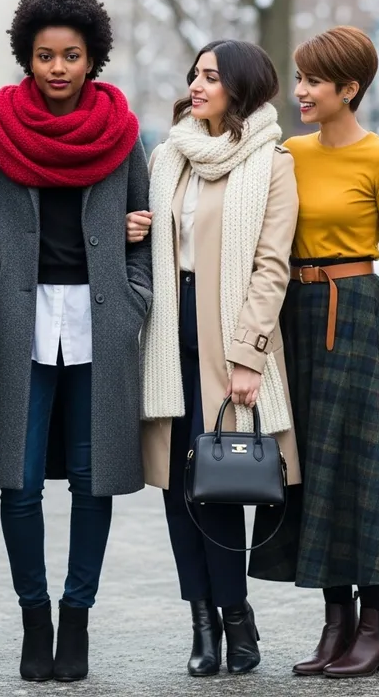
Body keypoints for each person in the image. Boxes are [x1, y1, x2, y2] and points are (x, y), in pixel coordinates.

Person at [0, 0, 152, 682]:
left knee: (93, 479)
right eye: (45, 55)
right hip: (23, 320)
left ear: (92, 57)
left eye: (71, 55)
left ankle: (78, 620)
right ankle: (33, 619)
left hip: (101, 321)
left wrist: (136, 295)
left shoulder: (124, 133)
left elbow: (144, 224)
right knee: (21, 480)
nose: (58, 67)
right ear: (27, 57)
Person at [247, 26, 379, 678]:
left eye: (313, 81)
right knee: (312, 464)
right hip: (298, 317)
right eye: (298, 78)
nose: (299, 90)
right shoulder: (290, 154)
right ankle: (338, 623)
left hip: (357, 314)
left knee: (358, 465)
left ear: (349, 89)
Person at [127, 39, 301, 677]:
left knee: (218, 484)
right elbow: (155, 241)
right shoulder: (169, 155)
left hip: (229, 336)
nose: (196, 87)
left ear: (242, 88)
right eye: (194, 76)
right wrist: (133, 231)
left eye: (211, 78)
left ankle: (236, 616)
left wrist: (249, 354)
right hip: (170, 332)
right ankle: (201, 622)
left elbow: (271, 264)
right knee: (178, 486)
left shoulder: (272, 162)